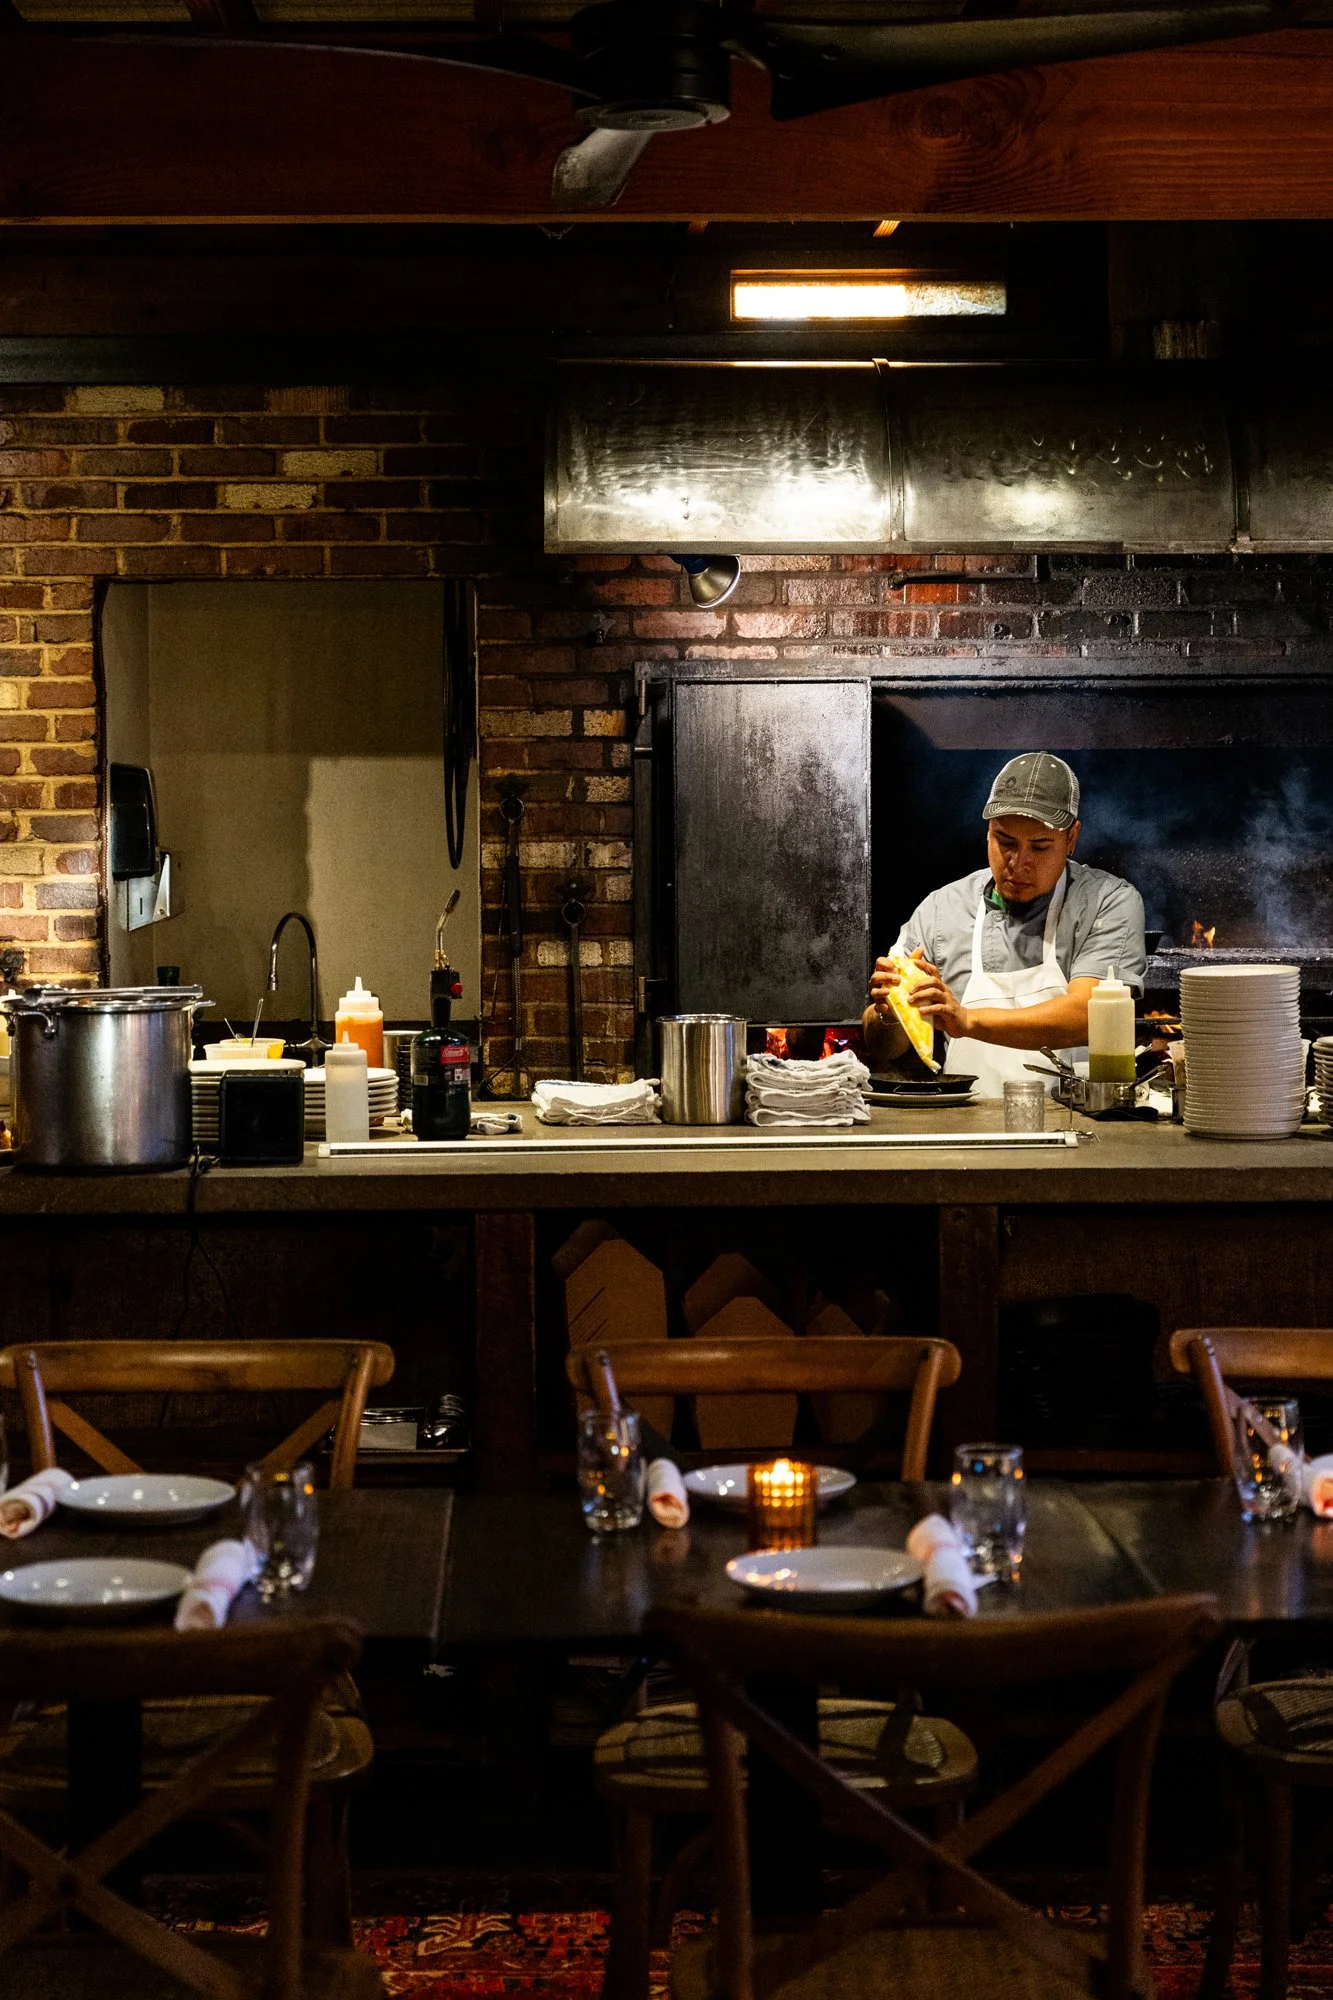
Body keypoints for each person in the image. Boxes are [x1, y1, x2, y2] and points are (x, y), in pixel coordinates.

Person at [863, 752, 1146, 1097]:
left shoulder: (1106, 901)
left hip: (1074, 1125)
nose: (1018, 863)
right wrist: (888, 1014)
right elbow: (885, 1047)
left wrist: (967, 1021)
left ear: (1071, 839)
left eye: (1039, 847)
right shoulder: (942, 910)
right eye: (1005, 841)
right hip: (966, 1129)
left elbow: (1090, 1015)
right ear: (988, 832)